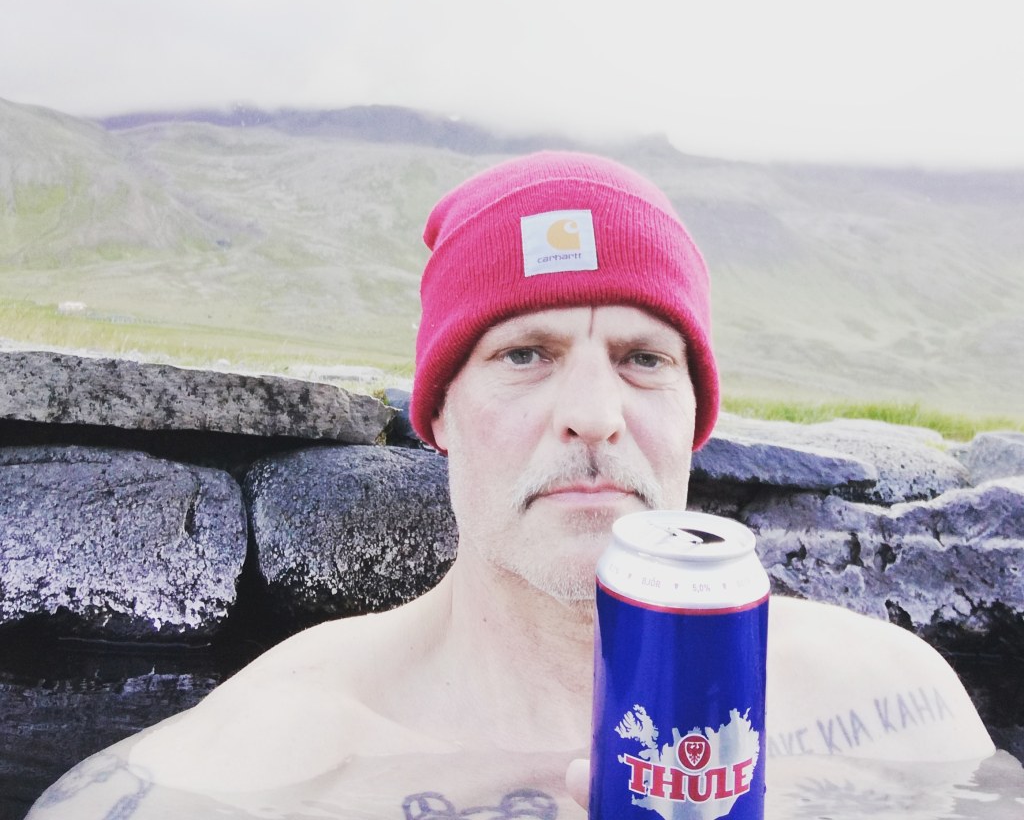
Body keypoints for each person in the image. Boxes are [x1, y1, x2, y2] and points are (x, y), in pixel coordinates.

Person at [29, 151, 997, 819]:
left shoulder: (897, 709)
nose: (595, 413)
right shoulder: (268, 759)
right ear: (439, 415)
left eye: (643, 358)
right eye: (525, 354)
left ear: (694, 418)